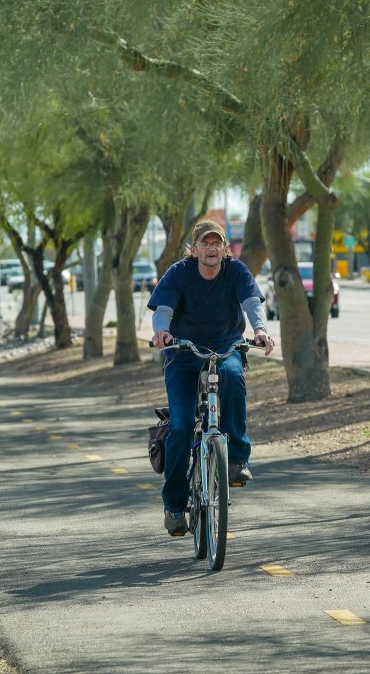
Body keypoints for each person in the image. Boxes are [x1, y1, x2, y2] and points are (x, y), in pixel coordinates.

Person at [148, 220, 275, 536]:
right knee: (179, 427)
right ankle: (175, 507)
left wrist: (260, 330)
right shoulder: (179, 272)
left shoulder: (236, 271)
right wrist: (161, 332)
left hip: (225, 347)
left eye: (217, 243)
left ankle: (235, 459)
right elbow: (163, 308)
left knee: (233, 378)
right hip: (183, 353)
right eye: (205, 243)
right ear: (194, 249)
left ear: (225, 248)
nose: (211, 249)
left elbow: (252, 304)